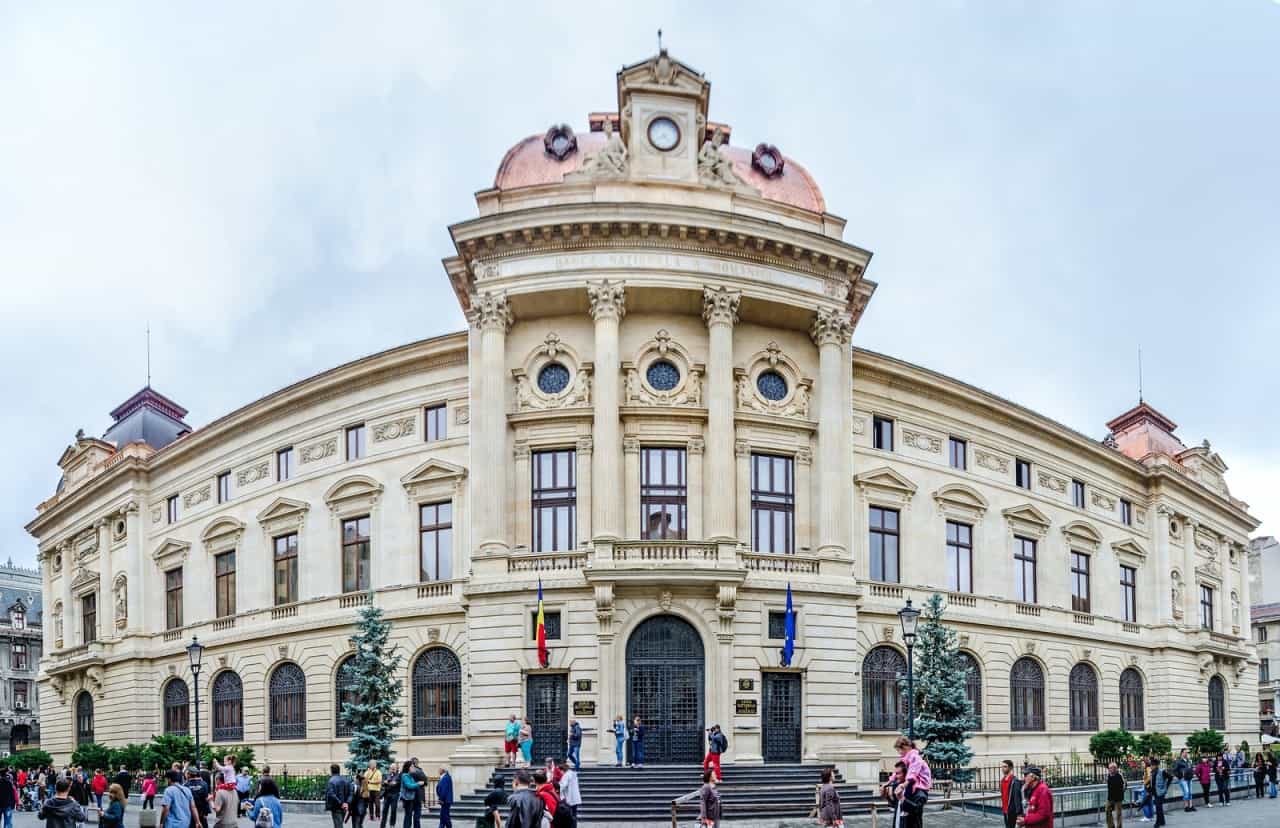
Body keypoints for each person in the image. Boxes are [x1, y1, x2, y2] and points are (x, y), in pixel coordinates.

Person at [893, 736, 931, 825]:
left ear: (906, 747)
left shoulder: (914, 757)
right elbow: (897, 772)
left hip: (922, 783)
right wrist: (889, 783)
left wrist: (904, 785)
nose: (899, 753)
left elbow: (913, 771)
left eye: (900, 750)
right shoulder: (906, 759)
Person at [1000, 760, 1024, 828]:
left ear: (1010, 768)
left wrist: (1019, 813)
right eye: (1002, 767)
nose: (1002, 768)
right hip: (1005, 810)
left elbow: (1017, 798)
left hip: (1012, 811)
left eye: (1005, 767)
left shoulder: (1015, 781)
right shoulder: (1002, 780)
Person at [396, 761, 420, 828]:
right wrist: (418, 784)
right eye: (412, 766)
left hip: (411, 798)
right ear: (408, 767)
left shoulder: (410, 776)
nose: (413, 768)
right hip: (407, 798)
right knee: (408, 815)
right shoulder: (405, 776)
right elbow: (409, 786)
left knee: (409, 815)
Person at [1104, 763, 1124, 828]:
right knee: (1107, 811)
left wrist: (1121, 793)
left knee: (1118, 814)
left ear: (1115, 768)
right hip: (1110, 798)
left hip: (1118, 798)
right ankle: (1111, 826)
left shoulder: (1119, 776)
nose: (1110, 769)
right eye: (1109, 768)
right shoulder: (1108, 776)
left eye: (1111, 768)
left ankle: (1119, 826)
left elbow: (1124, 785)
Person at [1151, 758, 1169, 828]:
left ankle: (1157, 822)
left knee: (1158, 807)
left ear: (1156, 765)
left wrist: (1166, 787)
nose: (1151, 766)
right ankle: (1162, 821)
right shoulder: (1152, 772)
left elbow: (1170, 777)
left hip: (1161, 793)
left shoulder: (1162, 772)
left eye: (1152, 765)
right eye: (1151, 765)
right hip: (1155, 793)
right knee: (1159, 807)